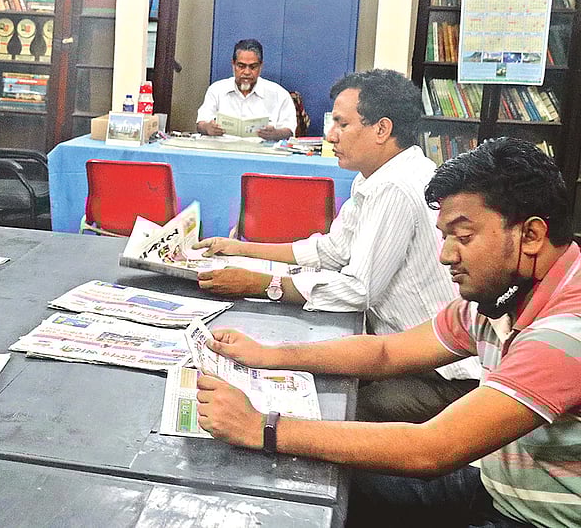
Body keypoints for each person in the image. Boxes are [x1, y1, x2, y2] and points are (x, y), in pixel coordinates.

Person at [194, 137, 580, 528]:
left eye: (463, 237)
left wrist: (261, 426)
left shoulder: (564, 332)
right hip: (498, 485)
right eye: (445, 237)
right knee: (330, 477)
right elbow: (387, 353)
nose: (446, 255)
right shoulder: (503, 295)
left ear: (531, 235)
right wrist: (270, 355)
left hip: (535, 519)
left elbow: (432, 449)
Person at [194, 69, 480, 423]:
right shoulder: (376, 176)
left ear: (381, 129)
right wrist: (242, 249)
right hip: (403, 352)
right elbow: (332, 250)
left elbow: (358, 290)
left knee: (320, 410)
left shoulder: (395, 187)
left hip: (439, 375)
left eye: (342, 125)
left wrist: (261, 284)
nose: (331, 136)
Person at [195, 39, 297, 141]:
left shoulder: (279, 94)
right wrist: (208, 128)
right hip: (221, 150)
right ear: (233, 64)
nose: (247, 72)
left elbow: (289, 131)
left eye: (253, 67)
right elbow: (200, 124)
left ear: (261, 66)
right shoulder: (217, 90)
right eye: (241, 66)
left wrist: (275, 134)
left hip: (262, 153)